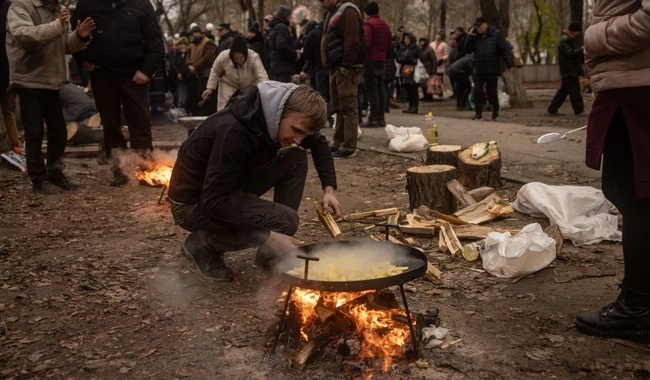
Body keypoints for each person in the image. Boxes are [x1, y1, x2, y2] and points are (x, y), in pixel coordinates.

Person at [169, 82, 341, 281]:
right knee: (286, 220)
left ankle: (268, 255)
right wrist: (269, 235)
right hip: (193, 204)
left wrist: (329, 190)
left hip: (229, 186)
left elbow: (318, 142)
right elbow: (213, 202)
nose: (298, 139)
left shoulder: (274, 119)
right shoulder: (233, 131)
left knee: (296, 157)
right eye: (296, 130)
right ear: (280, 111)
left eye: (304, 134)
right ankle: (202, 243)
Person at [575, 0, 650, 342]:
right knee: (626, 192)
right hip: (629, 82)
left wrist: (595, 37)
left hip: (636, 88)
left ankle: (638, 307)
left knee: (638, 198)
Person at [73, 0, 165, 186]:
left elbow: (154, 39)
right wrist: (84, 60)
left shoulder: (141, 4)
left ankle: (146, 169)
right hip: (102, 73)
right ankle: (120, 169)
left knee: (140, 121)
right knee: (110, 124)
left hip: (134, 74)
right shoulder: (87, 4)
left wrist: (146, 70)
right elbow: (74, 35)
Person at [6, 0, 95, 192]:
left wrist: (79, 36)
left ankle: (55, 173)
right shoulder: (20, 7)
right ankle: (38, 179)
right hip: (28, 79)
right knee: (34, 133)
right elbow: (25, 37)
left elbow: (63, 46)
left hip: (53, 80)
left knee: (59, 132)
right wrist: (57, 26)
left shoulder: (58, 10)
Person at [321, 0, 366, 159]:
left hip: (346, 68)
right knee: (339, 107)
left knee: (348, 107)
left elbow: (352, 40)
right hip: (337, 66)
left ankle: (349, 146)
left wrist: (346, 65)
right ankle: (338, 141)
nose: (321, 4)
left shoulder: (348, 11)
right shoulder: (335, 11)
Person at [465, 16, 514, 121]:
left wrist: (510, 64)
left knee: (491, 91)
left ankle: (495, 111)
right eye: (476, 26)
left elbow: (504, 50)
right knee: (477, 90)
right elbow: (467, 50)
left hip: (492, 68)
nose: (478, 28)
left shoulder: (495, 35)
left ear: (485, 24)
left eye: (479, 26)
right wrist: (470, 37)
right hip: (478, 68)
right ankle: (478, 114)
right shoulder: (475, 37)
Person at [202, 35, 268, 111]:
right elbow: (215, 72)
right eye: (236, 58)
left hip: (249, 85)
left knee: (250, 109)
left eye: (241, 57)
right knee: (224, 110)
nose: (239, 60)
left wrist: (266, 90)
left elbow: (261, 75)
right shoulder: (223, 56)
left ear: (245, 55)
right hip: (228, 84)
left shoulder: (254, 57)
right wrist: (210, 88)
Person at [360, 1, 391, 128]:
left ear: (366, 12)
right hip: (382, 60)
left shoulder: (368, 25)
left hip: (371, 59)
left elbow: (366, 43)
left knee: (371, 90)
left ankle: (373, 118)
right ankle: (381, 118)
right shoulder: (385, 25)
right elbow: (389, 44)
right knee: (381, 89)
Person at [547, 23, 585, 116]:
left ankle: (552, 109)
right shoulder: (566, 40)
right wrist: (581, 50)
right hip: (569, 70)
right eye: (578, 31)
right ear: (573, 31)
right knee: (574, 91)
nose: (579, 34)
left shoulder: (568, 40)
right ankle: (578, 110)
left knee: (563, 92)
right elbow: (569, 53)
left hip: (569, 69)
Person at [300, 20, 331, 121]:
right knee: (331, 94)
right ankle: (331, 118)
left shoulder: (313, 34)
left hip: (318, 67)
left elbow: (307, 52)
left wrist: (312, 63)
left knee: (321, 94)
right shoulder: (330, 31)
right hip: (331, 67)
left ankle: (322, 118)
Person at [0, 0, 19, 151]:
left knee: (7, 111)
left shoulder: (10, 7)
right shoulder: (11, 8)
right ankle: (14, 146)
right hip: (10, 71)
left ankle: (13, 145)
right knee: (8, 111)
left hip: (7, 71)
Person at [187, 26, 217, 116]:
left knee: (205, 97)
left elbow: (207, 58)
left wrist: (195, 67)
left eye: (196, 32)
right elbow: (188, 57)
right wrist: (189, 65)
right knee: (195, 97)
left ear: (200, 33)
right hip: (195, 76)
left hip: (206, 75)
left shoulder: (208, 43)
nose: (194, 35)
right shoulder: (193, 45)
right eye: (192, 33)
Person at [267, 5, 299, 83]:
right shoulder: (282, 27)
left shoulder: (275, 27)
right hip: (283, 67)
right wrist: (294, 54)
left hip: (276, 66)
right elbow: (281, 45)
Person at [397, 32, 424, 114]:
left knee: (413, 89)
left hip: (413, 70)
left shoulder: (416, 48)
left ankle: (414, 106)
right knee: (407, 88)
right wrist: (402, 59)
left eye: (408, 39)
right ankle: (410, 106)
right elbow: (398, 56)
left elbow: (421, 58)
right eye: (405, 39)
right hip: (404, 70)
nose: (406, 40)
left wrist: (412, 60)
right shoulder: (403, 48)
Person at [447, 26, 473, 110]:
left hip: (454, 68)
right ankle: (461, 104)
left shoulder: (459, 44)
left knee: (460, 87)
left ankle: (460, 104)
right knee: (467, 87)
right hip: (457, 70)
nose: (456, 33)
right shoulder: (469, 56)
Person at [170, 37, 191, 110]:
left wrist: (182, 73)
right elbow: (173, 64)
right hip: (176, 77)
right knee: (178, 92)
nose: (182, 46)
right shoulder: (176, 55)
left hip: (187, 76)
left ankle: (185, 106)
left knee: (186, 92)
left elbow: (187, 64)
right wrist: (178, 73)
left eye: (184, 44)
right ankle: (177, 105)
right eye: (181, 44)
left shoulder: (189, 54)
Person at [429, 30, 449, 99]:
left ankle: (440, 92)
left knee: (440, 78)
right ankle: (431, 91)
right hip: (432, 63)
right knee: (432, 78)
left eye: (439, 35)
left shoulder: (444, 44)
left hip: (440, 64)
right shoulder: (431, 44)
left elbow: (446, 54)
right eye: (437, 35)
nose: (437, 36)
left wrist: (442, 59)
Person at [419, 37, 435, 102]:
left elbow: (433, 60)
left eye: (423, 41)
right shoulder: (421, 49)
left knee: (428, 84)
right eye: (421, 41)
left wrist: (434, 70)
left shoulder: (429, 50)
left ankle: (429, 97)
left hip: (429, 68)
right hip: (422, 69)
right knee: (423, 84)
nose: (421, 43)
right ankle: (425, 96)